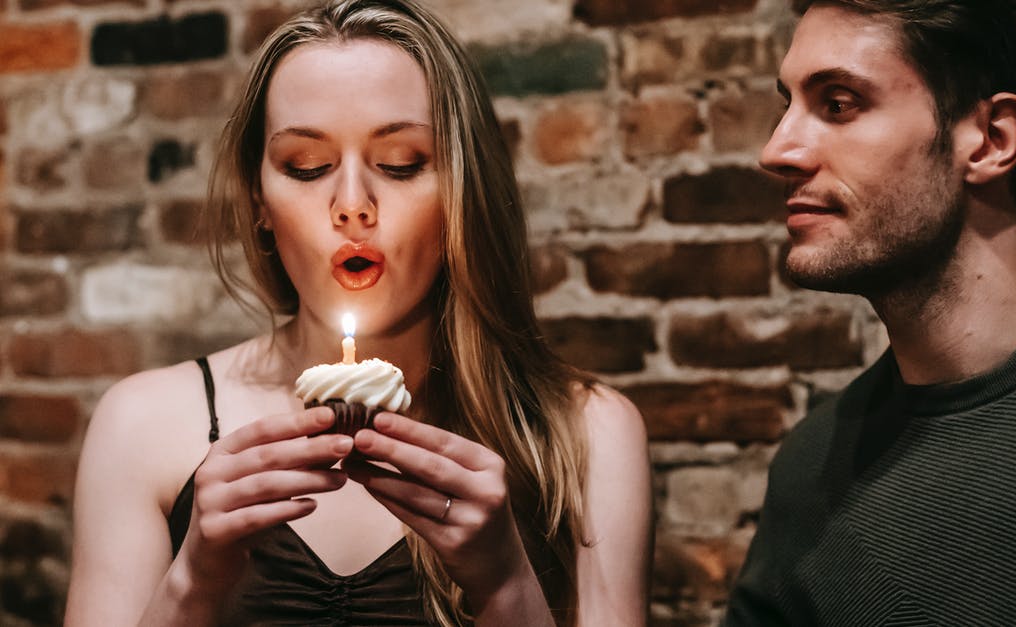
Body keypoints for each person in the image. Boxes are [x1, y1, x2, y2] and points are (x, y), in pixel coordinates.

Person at [64, 1, 652, 625]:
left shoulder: (586, 436)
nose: (352, 205)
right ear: (260, 199)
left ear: (462, 188)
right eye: (307, 167)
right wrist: (193, 583)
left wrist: (506, 585)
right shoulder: (143, 425)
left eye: (401, 164)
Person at [723, 0, 1016, 625]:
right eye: (785, 104)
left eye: (838, 103)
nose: (777, 150)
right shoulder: (811, 472)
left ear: (991, 140)